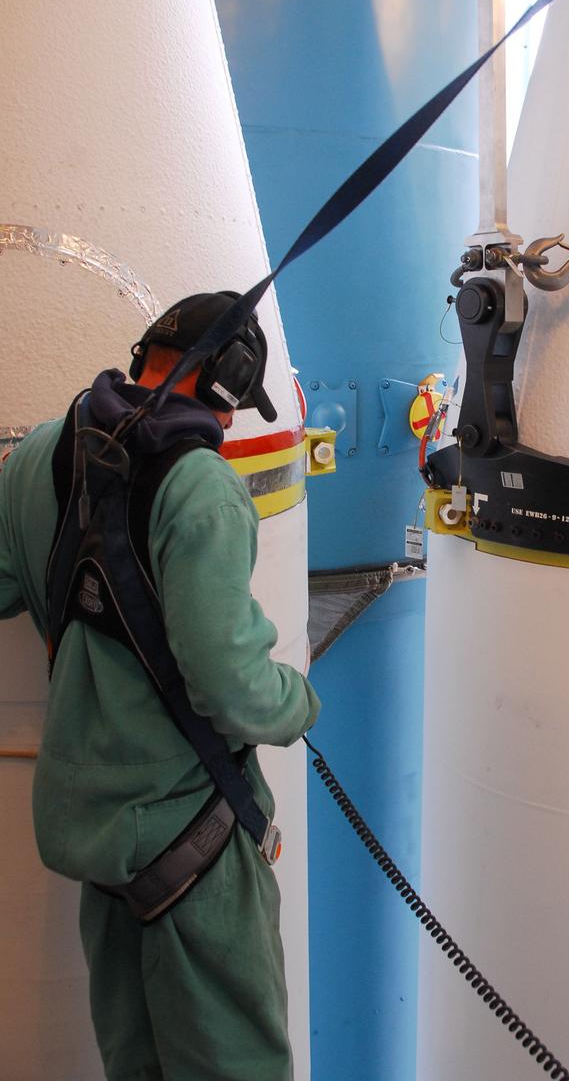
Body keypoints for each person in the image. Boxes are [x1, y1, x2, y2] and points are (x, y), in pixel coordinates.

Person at [0, 292, 320, 1081]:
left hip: (99, 849)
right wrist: (300, 701)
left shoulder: (41, 455)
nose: (237, 422)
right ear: (226, 380)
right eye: (239, 403)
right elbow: (231, 686)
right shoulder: (203, 485)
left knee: (133, 1066)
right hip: (193, 851)